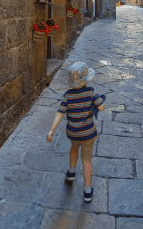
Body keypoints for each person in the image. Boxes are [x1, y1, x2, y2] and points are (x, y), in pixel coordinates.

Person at [46, 62, 105, 203]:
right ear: (86, 78)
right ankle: (87, 191)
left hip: (72, 133)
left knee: (74, 147)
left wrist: (52, 129)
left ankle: (71, 172)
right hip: (88, 134)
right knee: (87, 160)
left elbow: (60, 114)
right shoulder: (91, 92)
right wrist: (100, 101)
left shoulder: (67, 96)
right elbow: (101, 108)